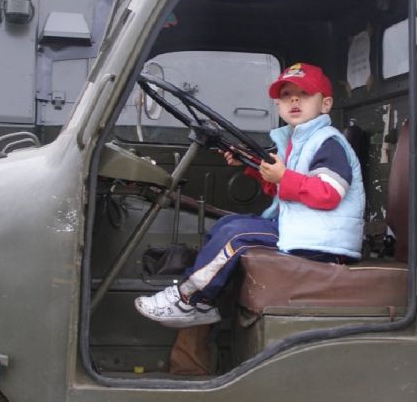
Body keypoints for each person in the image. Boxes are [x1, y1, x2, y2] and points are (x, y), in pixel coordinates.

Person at [134, 62, 365, 328]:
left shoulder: (328, 142)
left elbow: (328, 193)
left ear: (325, 104)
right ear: (278, 105)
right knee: (227, 224)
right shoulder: (296, 140)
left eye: (304, 94)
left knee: (237, 235)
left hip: (323, 242)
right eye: (286, 95)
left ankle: (187, 298)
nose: (293, 100)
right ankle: (205, 303)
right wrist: (254, 167)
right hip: (303, 229)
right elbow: (289, 189)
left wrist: (283, 177)